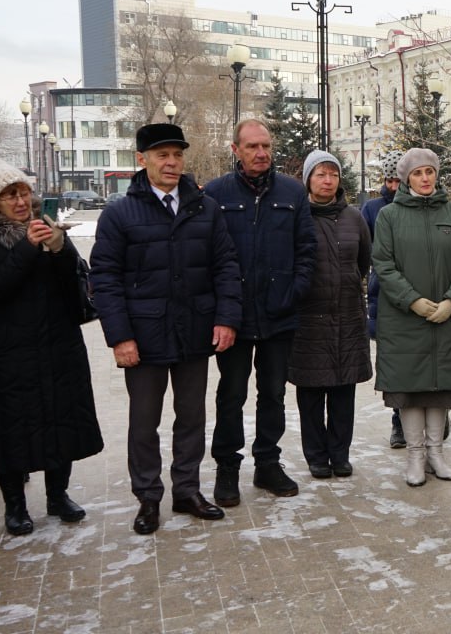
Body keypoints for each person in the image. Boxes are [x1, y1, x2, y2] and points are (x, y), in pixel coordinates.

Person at [91, 123, 242, 535]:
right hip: (144, 338)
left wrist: (226, 318)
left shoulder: (204, 208)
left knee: (191, 417)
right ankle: (148, 497)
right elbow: (104, 278)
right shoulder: (120, 213)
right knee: (144, 422)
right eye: (162, 155)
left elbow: (226, 266)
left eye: (177, 154)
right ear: (142, 160)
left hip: (194, 331)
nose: (172, 162)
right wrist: (120, 337)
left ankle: (187, 490)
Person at [0, 159, 104, 536]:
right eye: (10, 195)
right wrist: (28, 248)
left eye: (24, 192)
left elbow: (75, 283)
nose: (21, 201)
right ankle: (15, 505)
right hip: (7, 351)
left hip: (57, 343)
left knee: (61, 418)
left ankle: (58, 496)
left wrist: (60, 249)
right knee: (11, 427)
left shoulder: (45, 225)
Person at [205, 119, 316, 506]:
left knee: (273, 394)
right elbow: (208, 254)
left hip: (278, 314)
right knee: (231, 394)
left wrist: (293, 292)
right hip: (234, 317)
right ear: (235, 150)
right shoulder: (217, 193)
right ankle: (227, 467)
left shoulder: (292, 192)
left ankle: (267, 463)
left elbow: (307, 249)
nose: (261, 153)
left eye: (266, 145)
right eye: (252, 146)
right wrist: (221, 309)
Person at [372, 148, 451, 487]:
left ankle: (436, 453)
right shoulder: (389, 216)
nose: (424, 178)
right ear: (406, 178)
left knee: (439, 387)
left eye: (429, 171)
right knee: (410, 389)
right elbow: (383, 264)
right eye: (417, 173)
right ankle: (415, 456)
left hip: (447, 318)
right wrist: (413, 301)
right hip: (404, 319)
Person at [287, 151, 372, 479]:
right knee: (310, 392)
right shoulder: (296, 216)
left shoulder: (354, 217)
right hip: (309, 319)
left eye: (333, 175)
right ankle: (316, 456)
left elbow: (363, 262)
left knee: (343, 392)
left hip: (348, 316)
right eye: (320, 174)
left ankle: (340, 454)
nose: (327, 181)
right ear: (308, 179)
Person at [359, 150, 405, 448]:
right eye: (390, 180)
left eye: (399, 180)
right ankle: (399, 422)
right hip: (384, 295)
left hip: (417, 297)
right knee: (393, 366)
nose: (394, 186)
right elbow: (363, 252)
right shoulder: (372, 209)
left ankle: (434, 413)